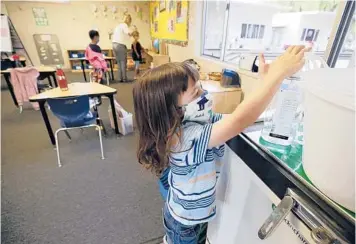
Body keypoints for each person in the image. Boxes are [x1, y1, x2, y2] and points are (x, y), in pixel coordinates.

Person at [133, 45, 307, 244]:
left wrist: (264, 83)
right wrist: (276, 76)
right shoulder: (184, 139)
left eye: (200, 86)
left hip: (192, 215)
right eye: (195, 92)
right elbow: (239, 121)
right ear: (172, 110)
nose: (204, 93)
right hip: (186, 223)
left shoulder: (196, 119)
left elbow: (236, 118)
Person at [112, 14, 135, 82]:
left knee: (119, 62)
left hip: (114, 45)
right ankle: (124, 78)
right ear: (128, 20)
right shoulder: (124, 25)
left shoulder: (118, 26)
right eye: (130, 20)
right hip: (120, 45)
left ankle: (120, 78)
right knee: (123, 62)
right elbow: (129, 33)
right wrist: (134, 31)